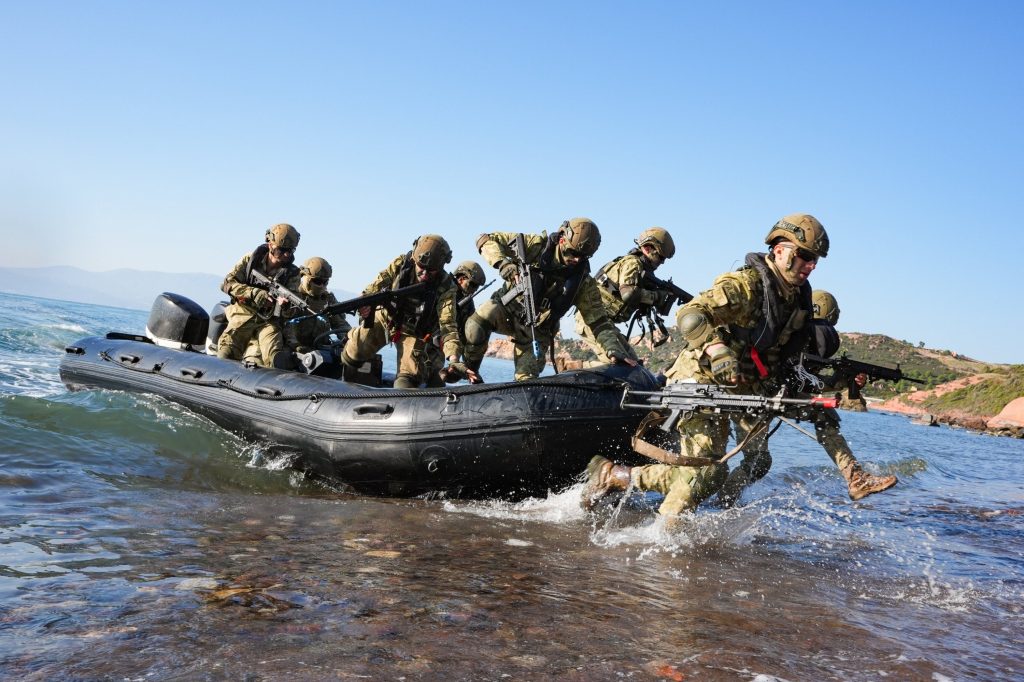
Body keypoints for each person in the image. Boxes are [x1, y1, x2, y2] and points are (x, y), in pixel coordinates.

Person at [582, 213, 837, 516]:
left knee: (729, 469)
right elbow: (691, 314)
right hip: (700, 380)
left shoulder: (793, 301)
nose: (810, 266)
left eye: (815, 260)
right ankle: (659, 538)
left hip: (738, 389)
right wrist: (717, 350)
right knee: (703, 474)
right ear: (779, 248)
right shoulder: (746, 285)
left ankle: (641, 489)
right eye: (804, 256)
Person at [463, 218, 635, 381]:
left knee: (526, 382)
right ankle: (469, 371)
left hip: (537, 331)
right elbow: (485, 240)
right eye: (572, 252)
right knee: (478, 321)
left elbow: (599, 322)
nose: (576, 260)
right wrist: (503, 264)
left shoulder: (583, 283)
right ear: (561, 239)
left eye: (582, 256)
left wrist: (613, 349)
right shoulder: (535, 246)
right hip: (508, 312)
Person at [341, 234, 471, 389]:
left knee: (409, 377)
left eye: (431, 270)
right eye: (421, 267)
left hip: (413, 332)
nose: (424, 273)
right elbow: (375, 286)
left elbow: (448, 325)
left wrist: (454, 359)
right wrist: (365, 302)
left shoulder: (446, 287)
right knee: (355, 351)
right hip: (387, 317)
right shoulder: (401, 264)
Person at [576, 227, 678, 364]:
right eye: (660, 257)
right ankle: (573, 367)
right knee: (620, 365)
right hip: (592, 320)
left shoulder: (643, 272)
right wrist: (656, 296)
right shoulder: (632, 263)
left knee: (635, 367)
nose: (662, 262)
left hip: (606, 324)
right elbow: (628, 294)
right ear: (647, 248)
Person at [217, 223, 302, 367]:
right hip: (243, 314)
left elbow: (292, 311)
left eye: (290, 250)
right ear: (270, 245)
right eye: (282, 250)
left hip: (269, 322)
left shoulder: (292, 274)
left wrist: (286, 307)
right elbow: (227, 284)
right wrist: (254, 293)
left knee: (275, 358)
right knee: (226, 354)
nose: (287, 255)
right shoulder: (250, 260)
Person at [429, 261, 486, 383]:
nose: (474, 290)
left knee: (439, 380)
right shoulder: (442, 288)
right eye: (472, 285)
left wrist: (470, 367)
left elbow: (467, 333)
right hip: (427, 338)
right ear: (461, 278)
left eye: (476, 287)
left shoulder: (468, 303)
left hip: (446, 343)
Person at [283, 256, 352, 353]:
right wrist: (296, 346)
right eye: (317, 281)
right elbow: (286, 325)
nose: (321, 286)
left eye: (325, 282)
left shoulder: (328, 300)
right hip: (294, 351)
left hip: (321, 351)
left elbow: (340, 325)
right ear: (305, 278)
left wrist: (351, 341)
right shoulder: (292, 297)